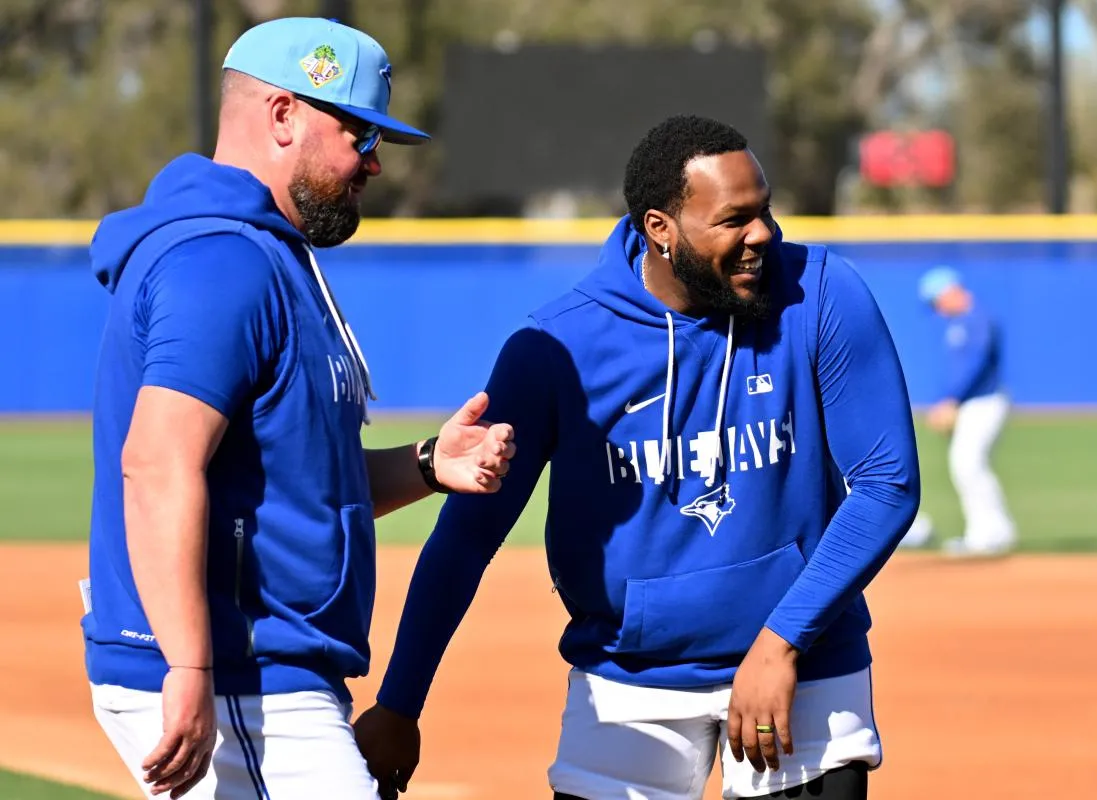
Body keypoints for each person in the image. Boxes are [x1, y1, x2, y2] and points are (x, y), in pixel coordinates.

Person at [354, 115, 920, 800]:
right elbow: (467, 536)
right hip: (630, 680)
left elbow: (887, 483)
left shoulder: (821, 293)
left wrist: (781, 642)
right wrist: (400, 703)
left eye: (764, 210)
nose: (763, 235)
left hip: (803, 663)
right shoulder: (556, 348)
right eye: (734, 220)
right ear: (660, 228)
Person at [82, 17, 516, 800]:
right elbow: (155, 462)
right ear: (283, 115)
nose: (375, 162)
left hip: (262, 670)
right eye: (359, 132)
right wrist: (189, 664)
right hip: (238, 669)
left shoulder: (273, 258)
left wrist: (427, 465)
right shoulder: (221, 261)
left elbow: (304, 480)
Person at [899, 267, 1016, 557]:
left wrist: (951, 400)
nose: (937, 310)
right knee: (967, 465)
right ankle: (993, 531)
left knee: (968, 463)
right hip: (972, 403)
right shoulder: (961, 322)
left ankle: (989, 533)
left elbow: (975, 365)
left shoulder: (976, 319)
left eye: (936, 301)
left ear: (950, 291)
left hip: (984, 401)